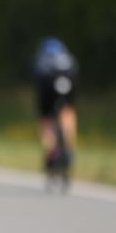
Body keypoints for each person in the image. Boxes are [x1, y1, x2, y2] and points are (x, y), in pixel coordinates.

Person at [32, 37, 79, 170]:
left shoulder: (42, 59)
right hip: (70, 78)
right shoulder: (68, 58)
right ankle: (69, 149)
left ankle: (52, 152)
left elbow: (37, 79)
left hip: (47, 82)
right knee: (68, 110)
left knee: (46, 118)